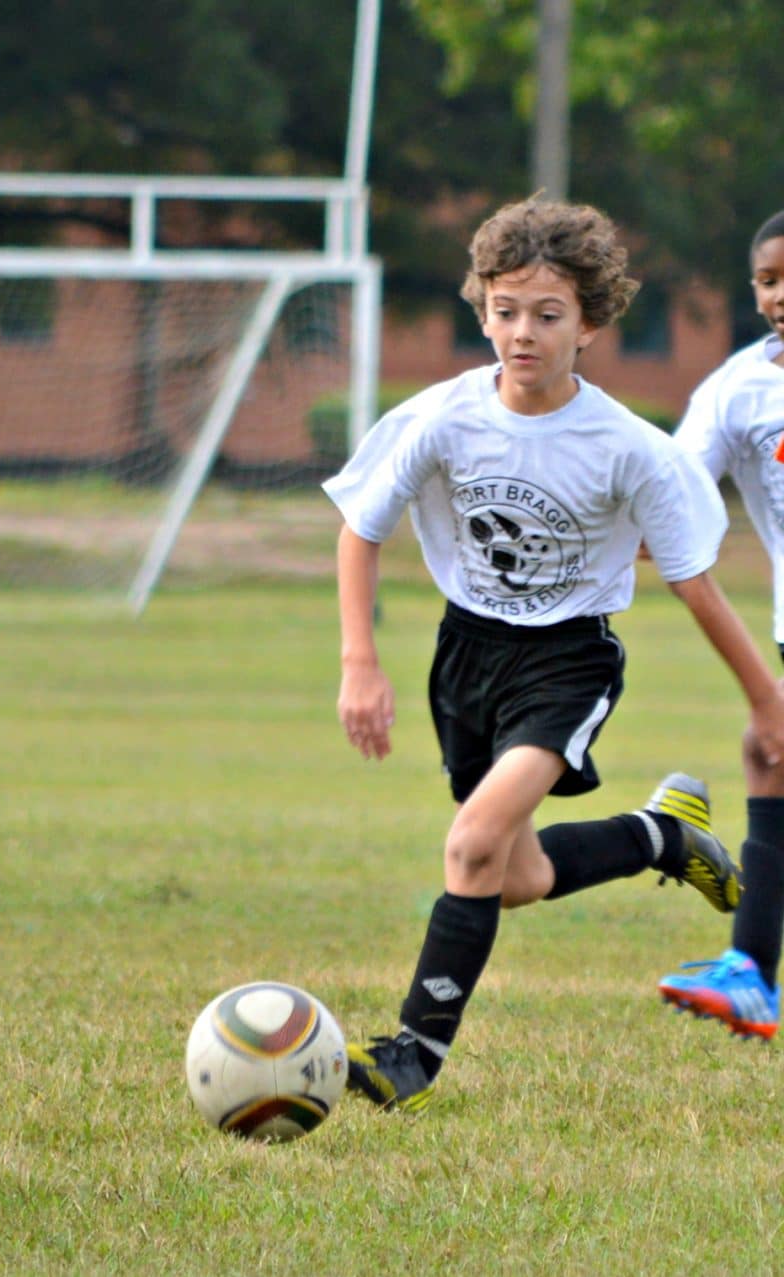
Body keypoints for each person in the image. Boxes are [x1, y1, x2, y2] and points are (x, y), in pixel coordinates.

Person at [323, 196, 784, 1113]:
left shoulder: (627, 449)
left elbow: (694, 581)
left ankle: (413, 1051)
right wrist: (359, 662)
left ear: (592, 322)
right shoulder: (443, 417)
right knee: (516, 876)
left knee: (471, 844)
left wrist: (768, 701)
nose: (520, 333)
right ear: (481, 308)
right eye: (503, 310)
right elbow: (359, 528)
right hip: (466, 656)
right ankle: (662, 835)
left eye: (546, 314)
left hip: (568, 662)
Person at [656, 210, 784, 1041]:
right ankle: (749, 973)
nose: (782, 296)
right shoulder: (739, 389)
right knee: (768, 751)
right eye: (769, 281)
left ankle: (751, 971)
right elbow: (671, 488)